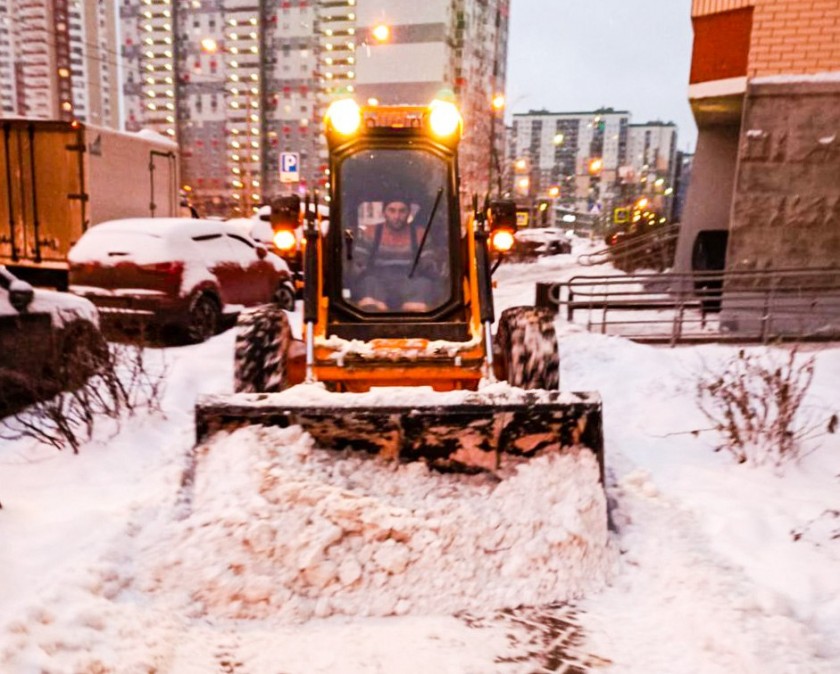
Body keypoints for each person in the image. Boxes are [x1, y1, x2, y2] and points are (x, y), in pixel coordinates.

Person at [350, 198, 444, 312]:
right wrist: (361, 269)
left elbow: (428, 262)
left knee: (424, 285)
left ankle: (413, 323)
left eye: (402, 211)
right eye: (392, 210)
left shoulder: (420, 234)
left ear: (409, 212)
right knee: (368, 283)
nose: (397, 216)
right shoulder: (370, 232)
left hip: (410, 282)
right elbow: (359, 261)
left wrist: (430, 267)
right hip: (378, 283)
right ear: (384, 212)